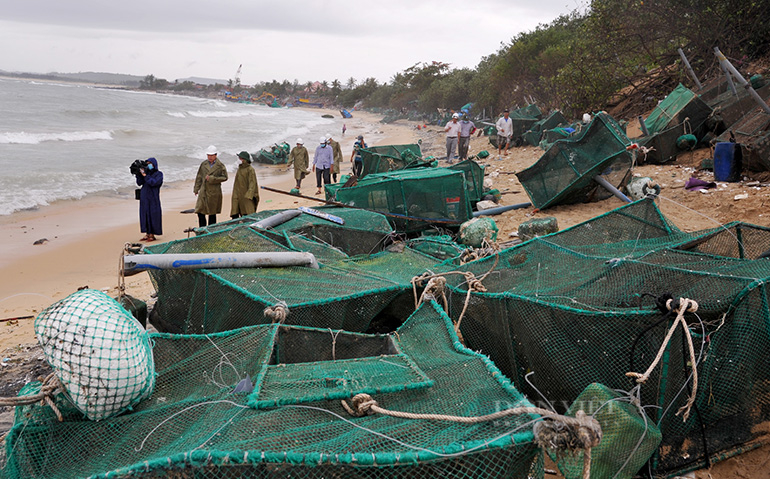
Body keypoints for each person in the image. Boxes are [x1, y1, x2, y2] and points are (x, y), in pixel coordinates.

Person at [193, 145, 228, 227]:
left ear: (216, 155)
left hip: (214, 192)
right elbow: (199, 176)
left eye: (211, 155)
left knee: (212, 213)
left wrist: (213, 179)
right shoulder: (203, 164)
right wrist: (196, 189)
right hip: (203, 191)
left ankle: (211, 230)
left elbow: (225, 177)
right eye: (208, 155)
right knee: (200, 211)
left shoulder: (220, 165)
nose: (210, 157)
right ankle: (202, 230)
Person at [135, 157, 163, 242]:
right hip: (144, 198)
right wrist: (138, 174)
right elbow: (139, 183)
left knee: (153, 215)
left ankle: (152, 234)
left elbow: (153, 182)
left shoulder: (159, 174)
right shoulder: (146, 173)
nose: (148, 165)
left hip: (153, 198)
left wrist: (145, 176)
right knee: (144, 215)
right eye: (147, 163)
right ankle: (147, 233)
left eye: (150, 163)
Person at [230, 151, 259, 219]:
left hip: (247, 196)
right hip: (238, 194)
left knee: (248, 212)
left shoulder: (250, 169)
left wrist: (249, 194)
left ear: (245, 160)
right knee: (235, 212)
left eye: (240, 158)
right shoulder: (240, 168)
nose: (239, 159)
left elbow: (252, 182)